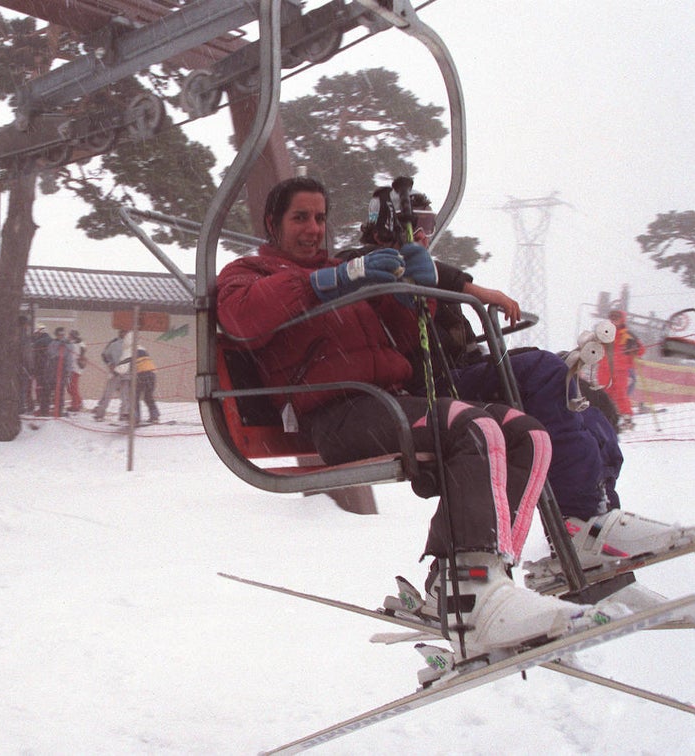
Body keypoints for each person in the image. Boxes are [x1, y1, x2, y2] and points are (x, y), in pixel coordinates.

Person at [216, 176, 615, 660]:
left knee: (525, 434)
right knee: (476, 429)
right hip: (336, 415)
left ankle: (473, 581)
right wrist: (325, 282)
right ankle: (468, 588)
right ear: (272, 224)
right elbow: (242, 316)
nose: (313, 229)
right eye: (300, 218)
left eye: (319, 218)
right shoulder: (250, 273)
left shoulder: (347, 270)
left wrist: (412, 293)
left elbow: (408, 337)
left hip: (386, 402)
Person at [349, 185, 690, 582]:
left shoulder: (425, 269)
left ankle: (595, 526)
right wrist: (472, 288)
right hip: (429, 387)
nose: (425, 234)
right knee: (545, 370)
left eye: (429, 225)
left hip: (459, 373)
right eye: (417, 225)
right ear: (386, 226)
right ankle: (580, 519)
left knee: (588, 414)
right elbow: (381, 267)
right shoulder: (365, 265)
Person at [596, 309, 644, 431]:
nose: (614, 319)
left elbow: (641, 350)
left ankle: (627, 419)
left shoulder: (628, 335)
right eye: (612, 317)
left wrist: (634, 348)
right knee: (605, 395)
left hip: (621, 370)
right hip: (604, 369)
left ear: (622, 319)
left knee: (620, 394)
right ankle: (607, 419)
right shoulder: (604, 333)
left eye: (617, 317)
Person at [92, 329, 131, 421]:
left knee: (125, 395)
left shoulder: (130, 345)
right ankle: (100, 414)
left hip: (125, 373)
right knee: (109, 394)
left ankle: (123, 415)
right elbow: (105, 355)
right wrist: (110, 364)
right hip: (116, 372)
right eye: (123, 332)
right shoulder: (114, 344)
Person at [133, 346, 160, 424]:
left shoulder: (130, 353)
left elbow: (127, 367)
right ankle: (155, 416)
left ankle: (136, 417)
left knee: (135, 397)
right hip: (151, 374)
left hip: (141, 375)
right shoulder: (144, 352)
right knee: (148, 396)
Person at [32, 324, 53, 416]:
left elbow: (34, 357)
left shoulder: (38, 343)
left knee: (41, 389)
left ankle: (43, 410)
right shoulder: (52, 341)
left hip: (41, 368)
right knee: (47, 390)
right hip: (51, 369)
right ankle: (46, 409)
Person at [67, 330, 86, 413]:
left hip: (76, 368)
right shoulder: (72, 343)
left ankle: (75, 405)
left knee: (73, 388)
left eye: (70, 335)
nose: (69, 336)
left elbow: (82, 352)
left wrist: (81, 360)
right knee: (69, 388)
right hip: (71, 368)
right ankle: (78, 402)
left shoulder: (79, 344)